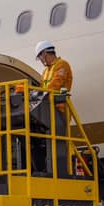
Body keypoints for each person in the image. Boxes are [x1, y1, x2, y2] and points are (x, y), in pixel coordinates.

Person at [32, 40, 73, 176]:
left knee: (59, 144)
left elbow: (54, 85)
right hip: (48, 111)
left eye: (40, 57)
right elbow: (42, 88)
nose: (41, 60)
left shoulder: (62, 65)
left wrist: (37, 94)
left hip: (59, 111)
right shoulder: (46, 71)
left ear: (45, 53)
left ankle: (60, 171)